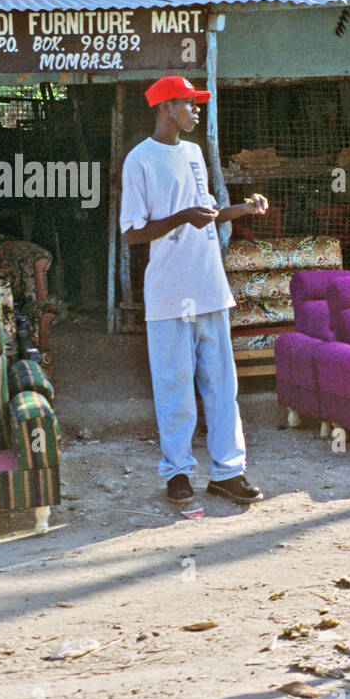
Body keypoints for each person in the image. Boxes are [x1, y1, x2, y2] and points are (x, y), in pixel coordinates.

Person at [120, 75, 268, 507]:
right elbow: (131, 233)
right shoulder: (139, 160)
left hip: (209, 287)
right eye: (189, 102)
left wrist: (240, 209)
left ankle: (228, 473)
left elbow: (204, 213)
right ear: (166, 107)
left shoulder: (196, 153)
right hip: (169, 293)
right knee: (175, 387)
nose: (196, 109)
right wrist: (183, 216)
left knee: (222, 387)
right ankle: (178, 473)